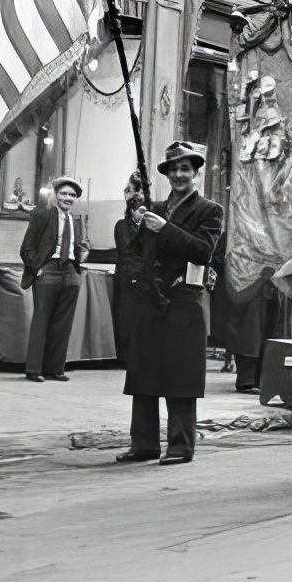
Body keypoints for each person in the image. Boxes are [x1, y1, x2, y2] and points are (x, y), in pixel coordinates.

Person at [116, 141, 223, 466]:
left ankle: (180, 446)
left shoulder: (210, 210)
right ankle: (144, 444)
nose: (179, 174)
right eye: (174, 169)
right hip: (151, 300)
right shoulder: (154, 208)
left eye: (185, 169)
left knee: (180, 377)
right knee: (143, 374)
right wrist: (141, 278)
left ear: (195, 173)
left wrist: (165, 229)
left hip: (183, 302)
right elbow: (133, 249)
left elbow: (202, 250)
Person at [19, 176, 89, 381]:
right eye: (64, 193)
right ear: (56, 195)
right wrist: (37, 268)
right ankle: (34, 370)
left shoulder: (75, 220)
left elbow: (79, 246)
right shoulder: (42, 214)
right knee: (42, 320)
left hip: (70, 271)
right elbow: (27, 247)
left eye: (72, 195)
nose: (68, 198)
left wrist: (78, 268)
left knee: (63, 322)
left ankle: (55, 369)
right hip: (48, 269)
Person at [112, 172, 146, 365]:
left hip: (141, 276)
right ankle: (125, 356)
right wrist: (136, 274)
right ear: (131, 211)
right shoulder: (122, 226)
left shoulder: (146, 227)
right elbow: (127, 252)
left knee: (138, 316)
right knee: (126, 315)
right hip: (127, 276)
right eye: (140, 211)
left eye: (145, 211)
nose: (142, 214)